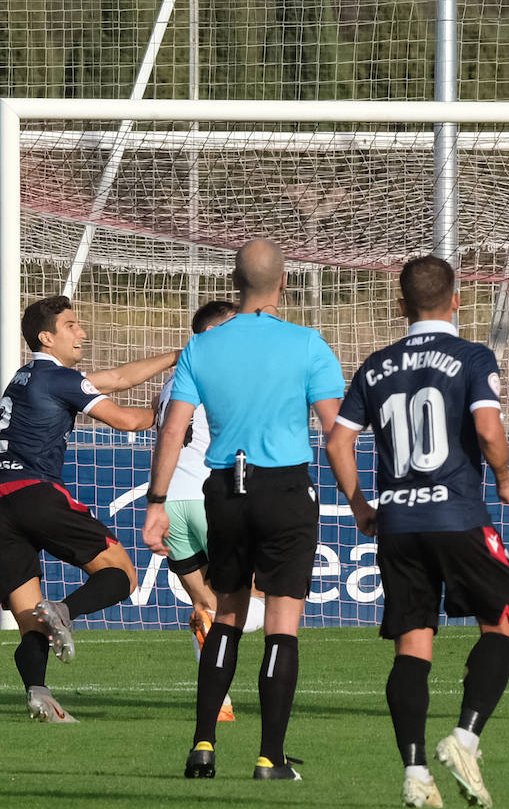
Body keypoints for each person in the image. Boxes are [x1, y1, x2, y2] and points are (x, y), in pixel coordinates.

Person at [141, 239, 345, 781]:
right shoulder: (307, 344)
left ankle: (203, 745)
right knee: (281, 623)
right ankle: (269, 757)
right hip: (284, 488)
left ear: (234, 283)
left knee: (225, 616)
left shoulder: (202, 347)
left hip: (223, 490)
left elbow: (172, 428)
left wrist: (156, 503)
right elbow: (334, 429)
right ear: (284, 283)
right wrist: (360, 496)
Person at [326, 255, 509, 809]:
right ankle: (464, 739)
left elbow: (338, 442)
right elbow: (487, 428)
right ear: (456, 300)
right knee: (502, 624)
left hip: (398, 523)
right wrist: (506, 478)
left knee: (413, 645)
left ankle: (414, 774)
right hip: (457, 517)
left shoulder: (376, 364)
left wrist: (362, 504)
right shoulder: (471, 356)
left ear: (400, 305)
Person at [0, 295, 178, 722]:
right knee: (121, 574)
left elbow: (117, 378)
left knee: (31, 620)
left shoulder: (26, 377)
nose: (82, 333)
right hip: (35, 493)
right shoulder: (60, 378)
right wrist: (181, 419)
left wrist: (178, 355)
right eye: (72, 325)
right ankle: (66, 611)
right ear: (47, 337)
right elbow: (126, 420)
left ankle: (38, 694)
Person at [143, 299, 246, 724]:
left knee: (204, 603)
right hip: (212, 497)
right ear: (217, 333)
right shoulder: (227, 371)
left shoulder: (171, 382)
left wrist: (156, 501)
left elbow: (165, 428)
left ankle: (219, 702)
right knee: (259, 599)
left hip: (175, 503)